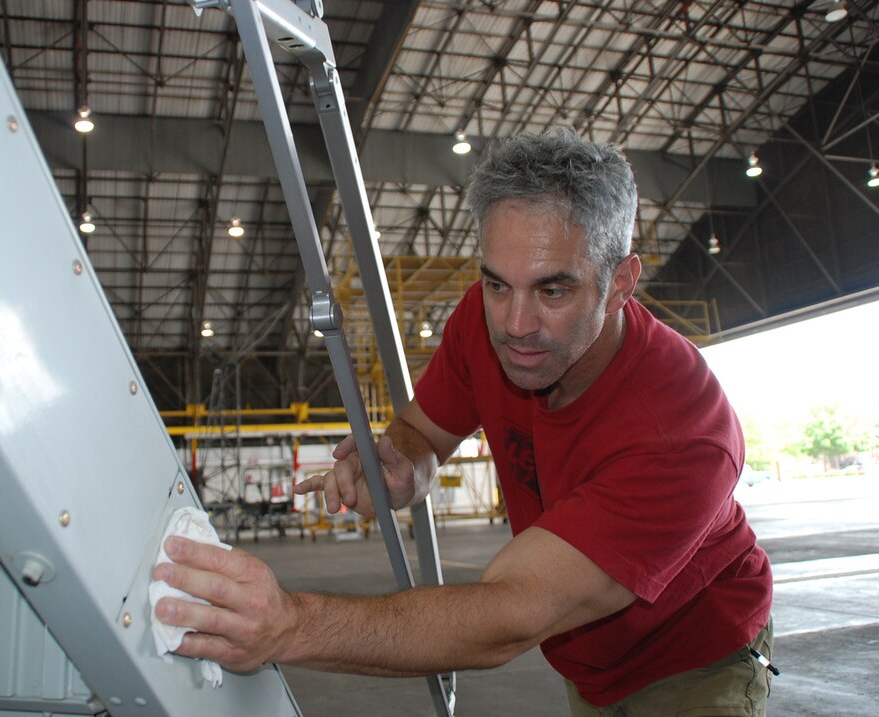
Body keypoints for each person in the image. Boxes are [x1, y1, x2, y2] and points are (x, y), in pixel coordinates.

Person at [153, 126, 774, 715]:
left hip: (695, 662)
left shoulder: (681, 430)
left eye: (553, 291)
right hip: (588, 665)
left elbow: (508, 615)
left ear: (619, 284)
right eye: (498, 284)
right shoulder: (485, 320)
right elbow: (422, 433)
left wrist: (290, 625)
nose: (515, 324)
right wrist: (403, 463)